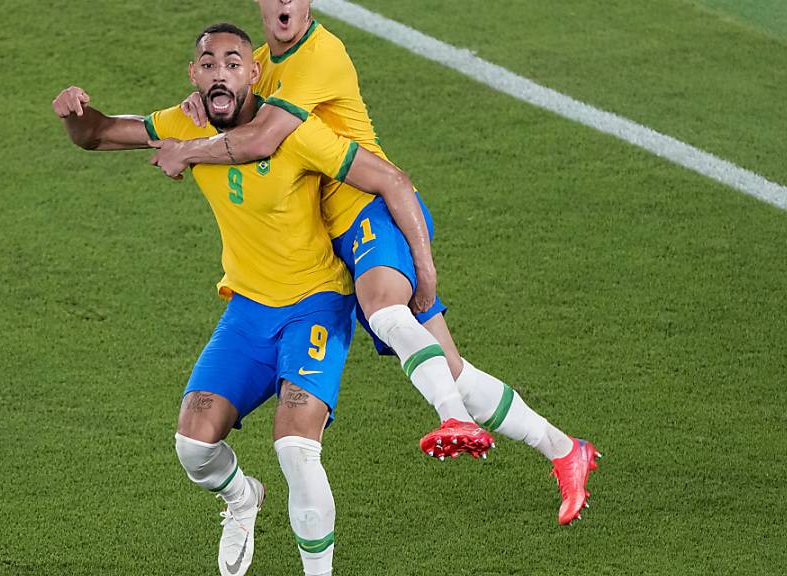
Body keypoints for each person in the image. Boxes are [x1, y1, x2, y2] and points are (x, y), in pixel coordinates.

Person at [148, 0, 599, 525]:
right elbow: (240, 101)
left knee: (386, 311)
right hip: (337, 237)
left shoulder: (321, 53)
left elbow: (266, 138)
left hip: (372, 209)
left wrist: (188, 150)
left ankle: (452, 419)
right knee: (451, 369)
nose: (285, 3)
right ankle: (566, 451)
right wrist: (201, 102)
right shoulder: (262, 65)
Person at [54, 23, 442, 575]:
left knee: (295, 447)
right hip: (250, 309)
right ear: (194, 75)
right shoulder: (183, 123)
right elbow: (97, 135)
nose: (219, 73)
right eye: (208, 63)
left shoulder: (286, 130)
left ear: (253, 72)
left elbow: (388, 179)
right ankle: (242, 498)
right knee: (193, 445)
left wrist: (423, 271)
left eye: (232, 63)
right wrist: (75, 113)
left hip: (316, 302)